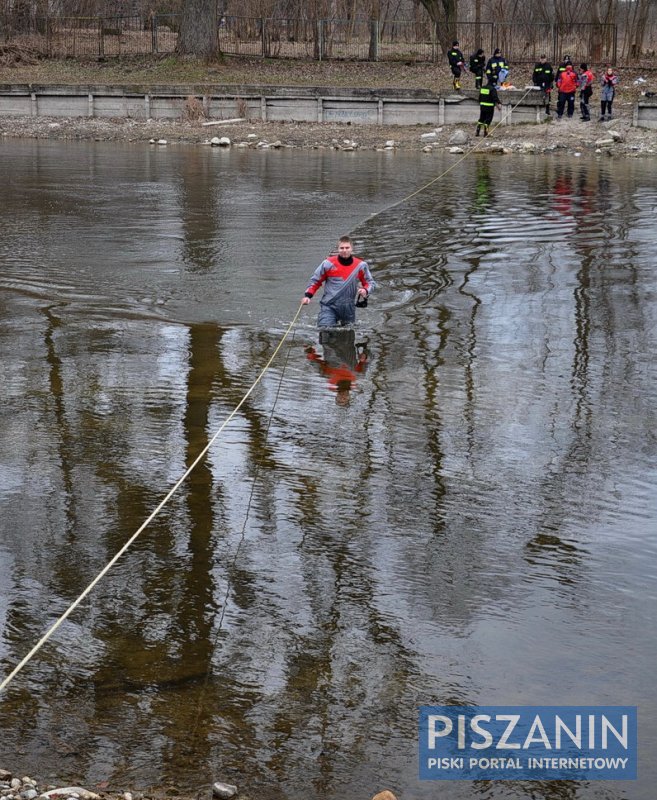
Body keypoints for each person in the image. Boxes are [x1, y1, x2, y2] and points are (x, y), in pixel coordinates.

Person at [301, 236, 375, 328]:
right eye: (342, 248)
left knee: (347, 337)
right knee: (325, 330)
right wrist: (308, 296)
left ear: (351, 248)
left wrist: (365, 290)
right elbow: (315, 281)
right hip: (329, 306)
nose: (344, 250)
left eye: (347, 248)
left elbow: (370, 283)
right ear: (338, 249)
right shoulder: (328, 264)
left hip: (349, 308)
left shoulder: (360, 265)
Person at [306, 328, 368, 406]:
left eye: (340, 399)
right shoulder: (359, 374)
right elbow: (368, 354)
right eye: (344, 399)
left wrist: (308, 349)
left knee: (326, 323)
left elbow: (313, 360)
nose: (342, 397)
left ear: (336, 396)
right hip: (348, 334)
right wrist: (365, 356)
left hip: (328, 336)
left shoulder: (326, 375)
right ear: (349, 397)